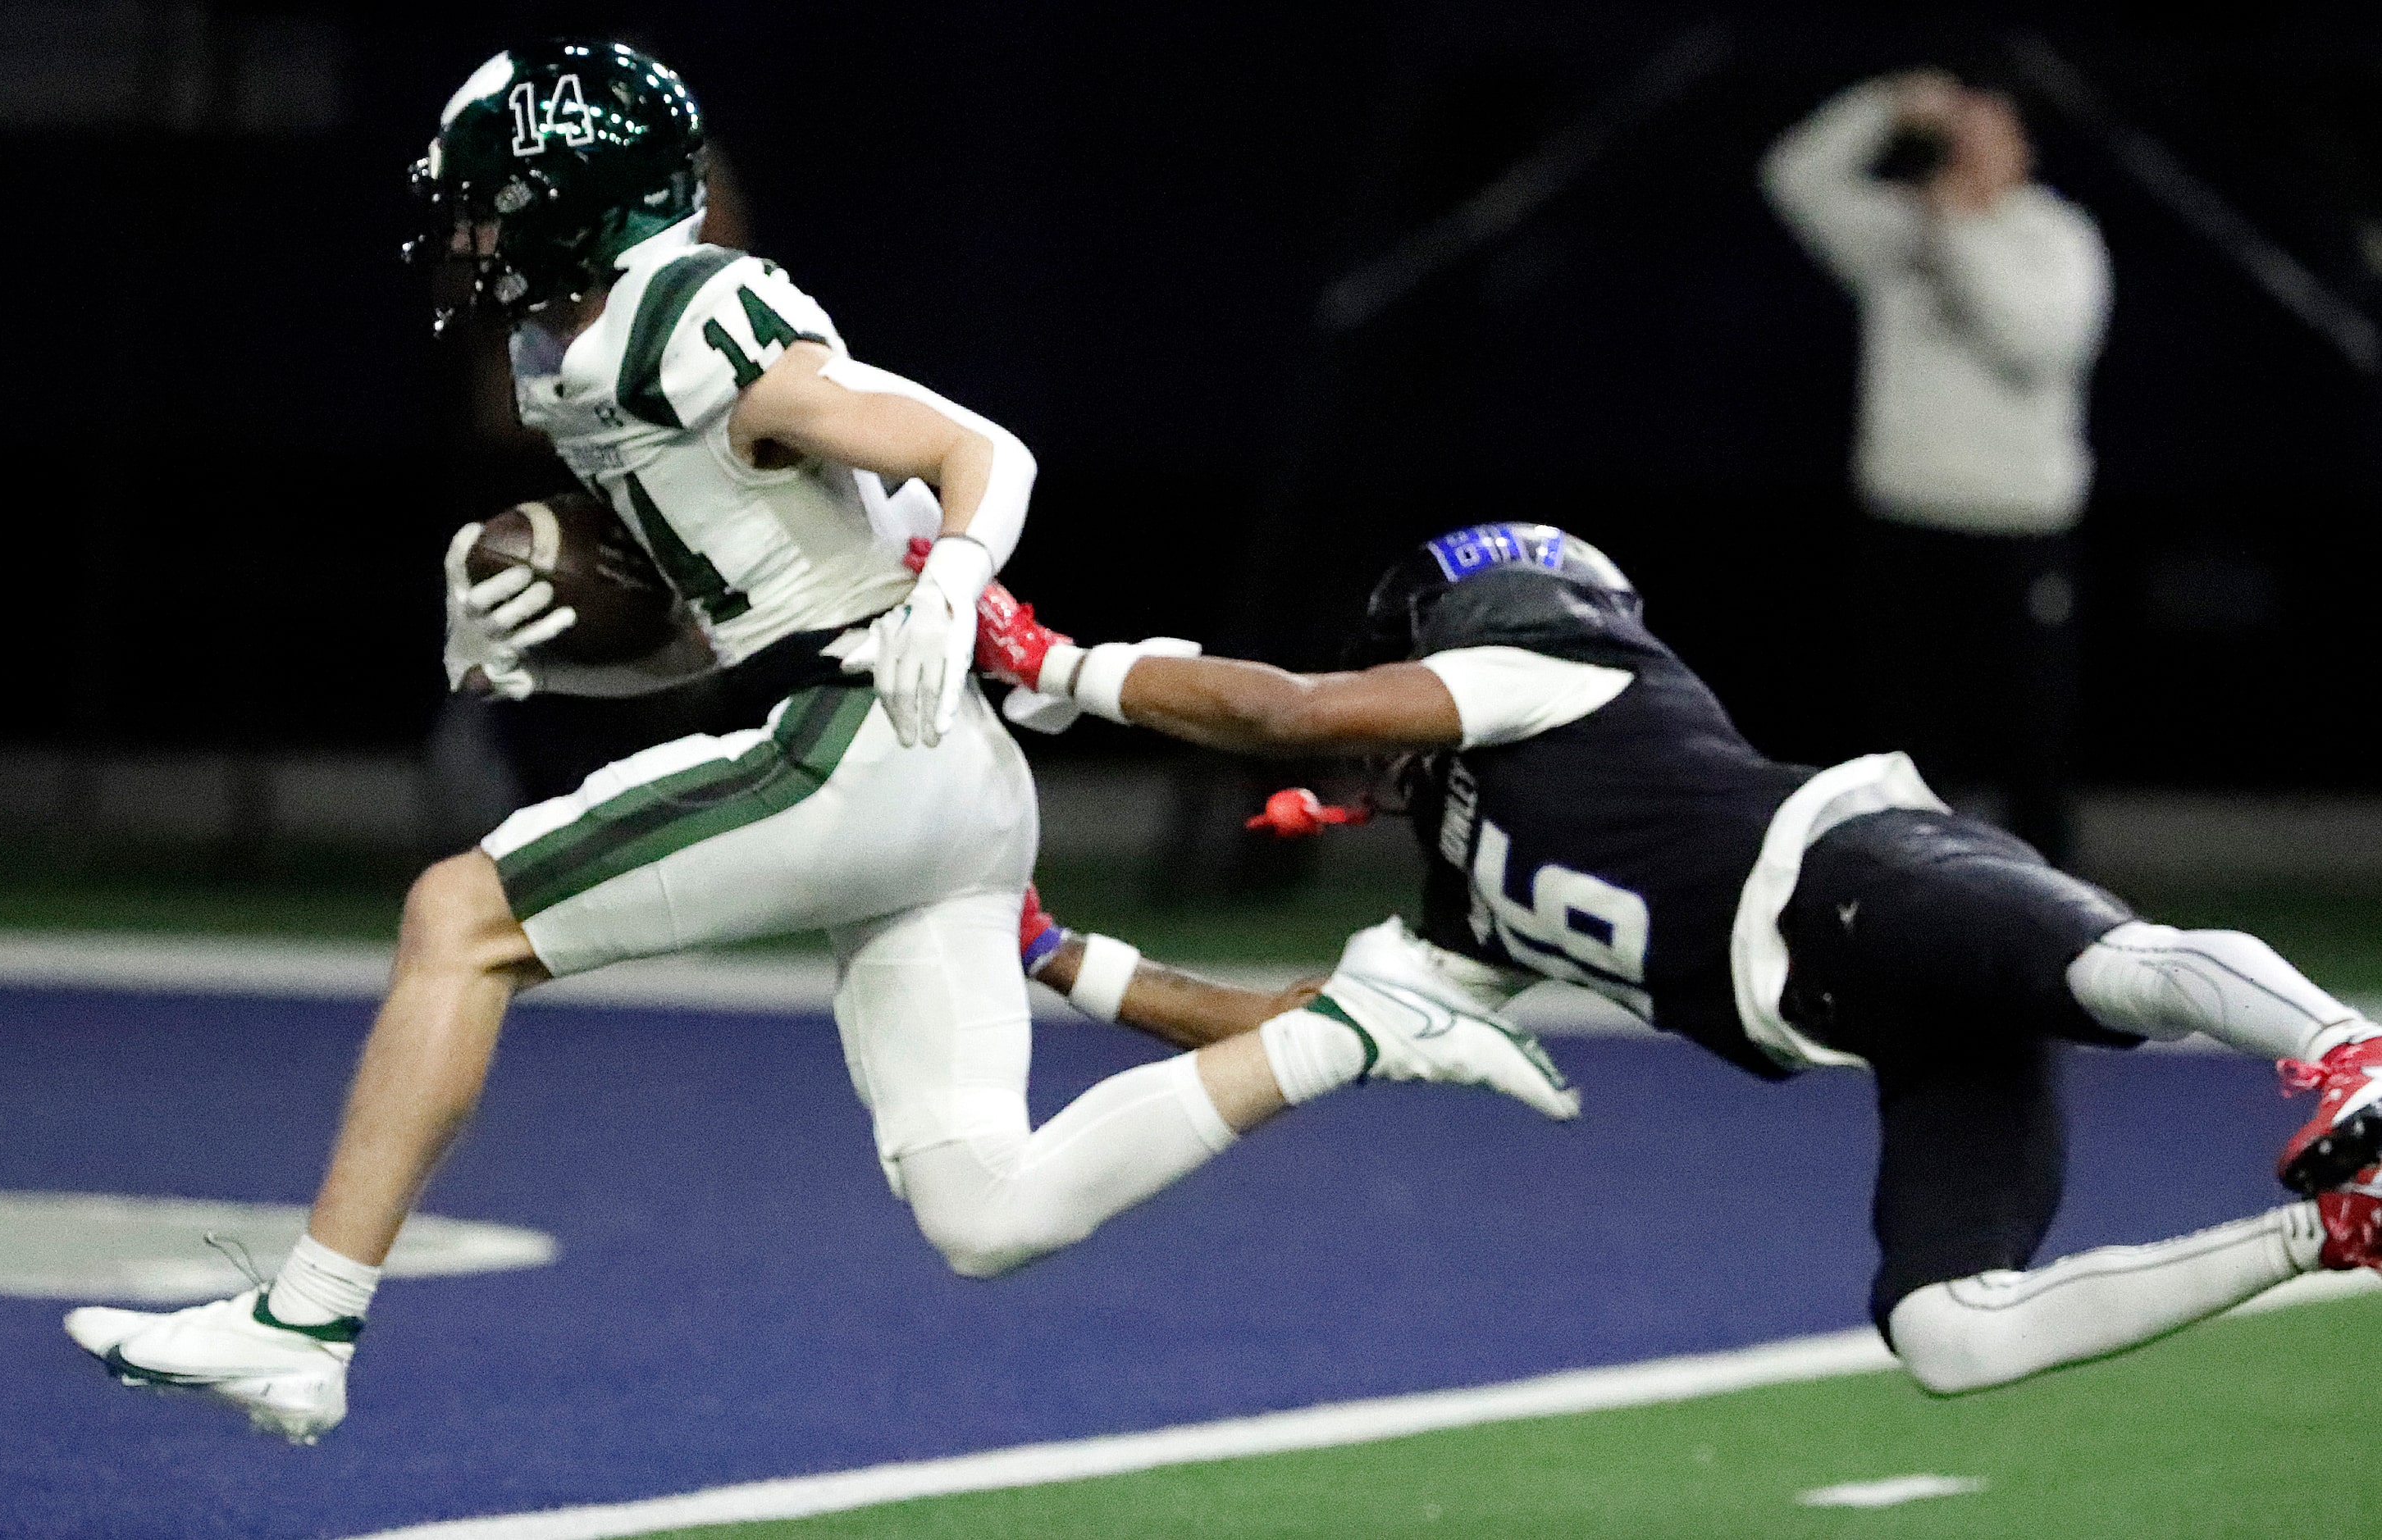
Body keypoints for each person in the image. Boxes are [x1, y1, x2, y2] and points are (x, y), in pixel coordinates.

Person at [60, 43, 1571, 1446]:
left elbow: (977, 451)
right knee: (988, 1208)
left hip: (867, 732)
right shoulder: (577, 353)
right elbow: (722, 625)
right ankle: (1353, 1028)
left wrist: (963, 576)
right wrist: (539, 663)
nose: (467, 237)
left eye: (494, 206)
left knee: (460, 914)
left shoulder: (682, 308)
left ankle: (305, 1317)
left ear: (583, 205)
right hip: (935, 775)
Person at [983, 520, 2382, 1394]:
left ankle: (2347, 1044)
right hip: (1883, 1023)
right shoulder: (1462, 906)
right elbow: (1292, 1024)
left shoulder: (1555, 675)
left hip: (1855, 877)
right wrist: (1057, 953)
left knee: (2107, 965)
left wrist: (1051, 660)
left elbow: (1287, 708)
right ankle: (2326, 1233)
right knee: (1950, 1336)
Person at [1764, 71, 2110, 862]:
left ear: (2021, 150)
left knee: (2034, 748)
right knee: (1904, 752)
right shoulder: (1897, 234)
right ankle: (1899, 916)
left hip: (2019, 524)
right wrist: (1885, 105)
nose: (1967, 154)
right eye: (1956, 138)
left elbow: (2034, 343)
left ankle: (2061, 925)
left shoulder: (2055, 237)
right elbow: (1793, 177)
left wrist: (1957, 231)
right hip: (1907, 517)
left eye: (1987, 136)